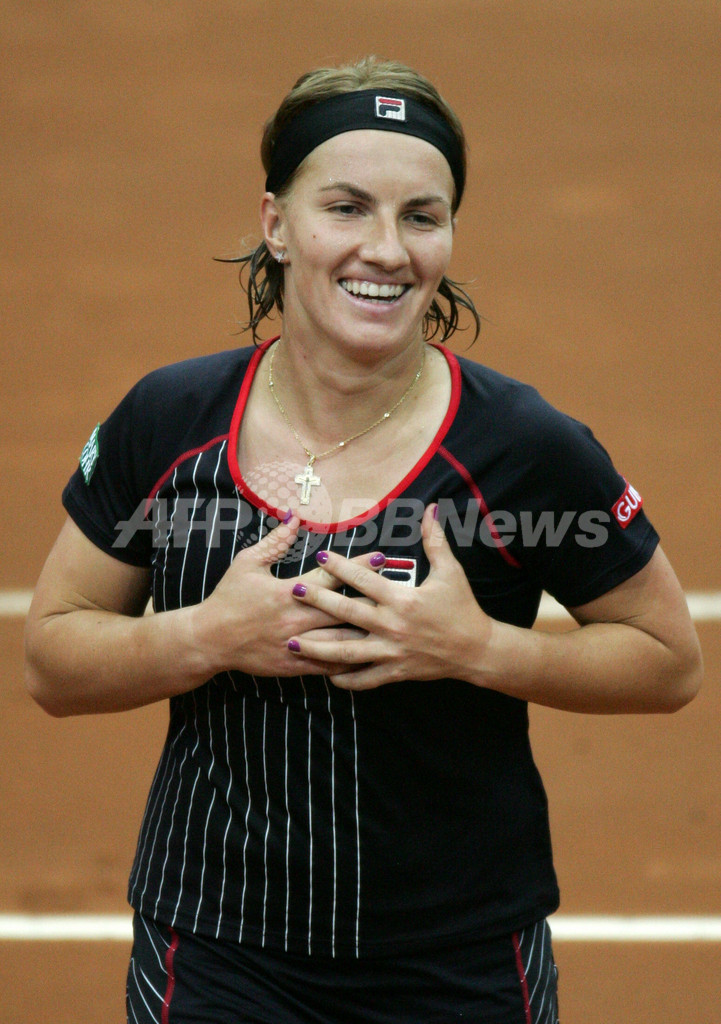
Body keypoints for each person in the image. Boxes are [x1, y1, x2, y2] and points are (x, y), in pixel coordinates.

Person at [24, 56, 702, 1024]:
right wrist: (205, 635)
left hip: (459, 958)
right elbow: (54, 655)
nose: (385, 250)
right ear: (276, 224)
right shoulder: (169, 422)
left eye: (421, 217)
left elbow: (667, 659)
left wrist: (479, 649)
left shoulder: (522, 448)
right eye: (345, 208)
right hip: (215, 947)